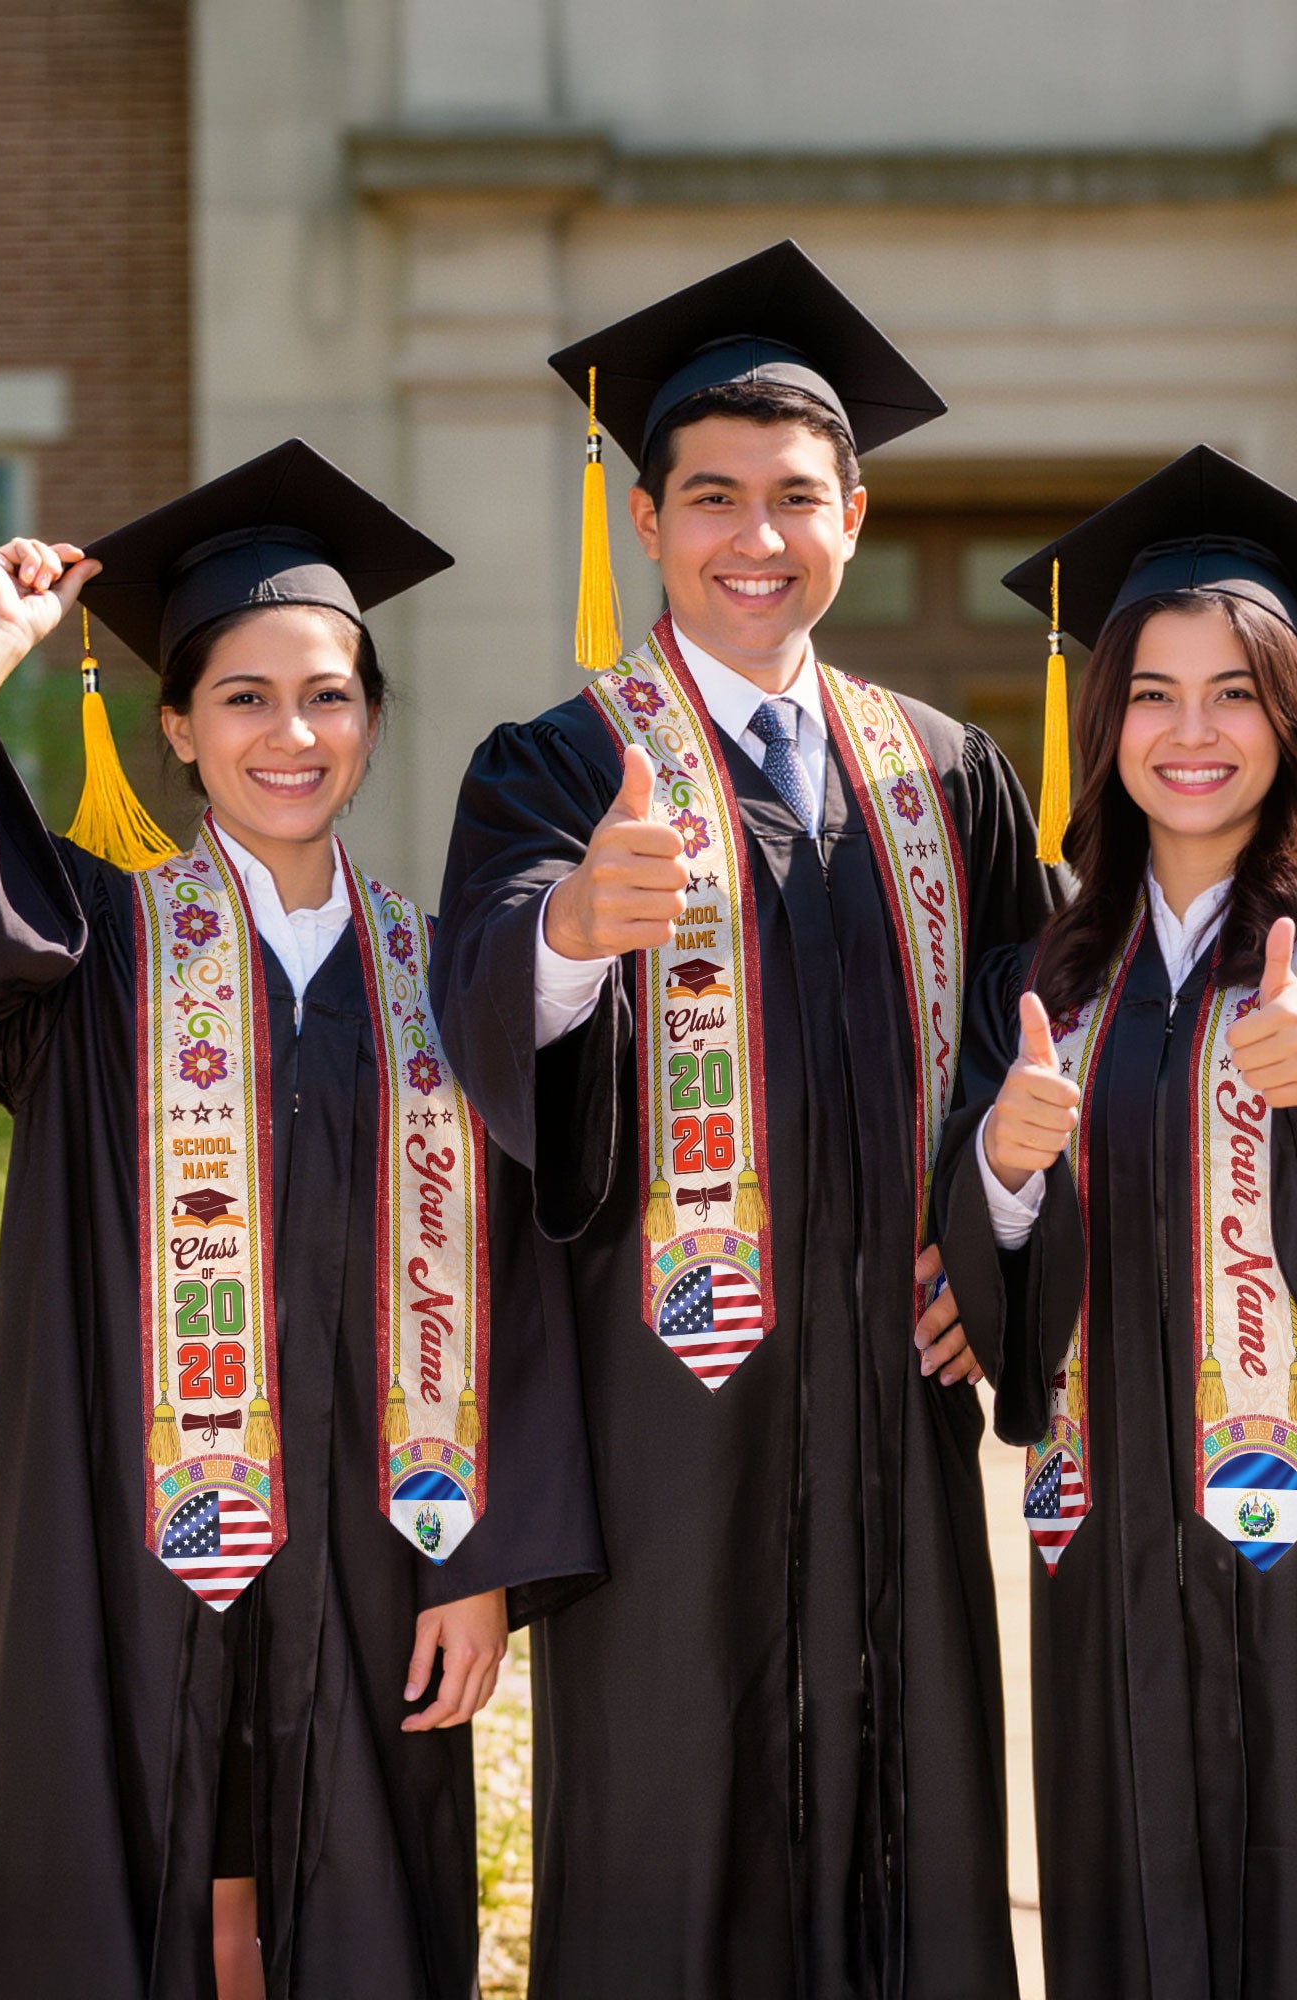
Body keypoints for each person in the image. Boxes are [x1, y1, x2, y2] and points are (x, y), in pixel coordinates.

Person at [432, 241, 1059, 1999]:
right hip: (667, 1421)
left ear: (854, 515)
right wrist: (568, 932)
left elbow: (1047, 1047)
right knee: (670, 1835)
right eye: (713, 498)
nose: (755, 538)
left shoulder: (947, 772)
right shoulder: (555, 764)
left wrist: (999, 1246)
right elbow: (479, 1005)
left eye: (797, 498)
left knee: (913, 1820)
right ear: (648, 521)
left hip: (894, 1408)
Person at [0, 440, 601, 2000]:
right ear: (176, 726)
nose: (289, 733)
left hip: (383, 1547)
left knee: (358, 1894)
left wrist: (483, 1561)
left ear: (371, 719)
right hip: (128, 1530)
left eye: (328, 694)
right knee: (137, 1866)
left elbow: (522, 1285)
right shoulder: (91, 952)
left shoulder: (449, 978)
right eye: (242, 697)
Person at [934, 446, 1297, 1999]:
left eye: (1237, 692)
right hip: (1111, 1522)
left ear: (1294, 717)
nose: (1194, 734)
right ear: (1103, 720)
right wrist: (1000, 1156)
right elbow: (983, 1255)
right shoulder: (1037, 979)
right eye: (1153, 694)